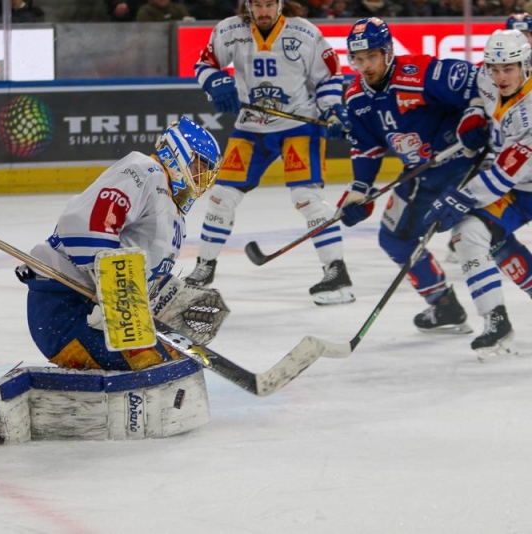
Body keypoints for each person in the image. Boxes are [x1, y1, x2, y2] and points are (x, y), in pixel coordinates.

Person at [17, 116, 224, 372]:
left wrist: (166, 294)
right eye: (198, 166)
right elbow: (85, 223)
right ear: (177, 151)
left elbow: (141, 267)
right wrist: (114, 294)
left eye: (207, 173)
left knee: (176, 351)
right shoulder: (144, 171)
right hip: (65, 308)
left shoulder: (174, 210)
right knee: (155, 362)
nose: (202, 178)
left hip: (95, 310)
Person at [189, 0, 355, 306]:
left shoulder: (304, 33)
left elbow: (329, 76)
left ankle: (337, 271)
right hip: (251, 128)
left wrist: (332, 110)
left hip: (299, 126)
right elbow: (204, 64)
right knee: (221, 197)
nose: (263, 12)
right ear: (247, 5)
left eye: (269, 4)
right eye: (257, 5)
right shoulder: (229, 30)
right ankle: (204, 267)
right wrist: (216, 81)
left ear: (280, 4)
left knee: (306, 198)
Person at [338, 17, 488, 334]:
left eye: (372, 56)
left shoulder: (420, 73)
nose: (365, 66)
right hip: (421, 174)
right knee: (393, 237)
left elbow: (482, 80)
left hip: (466, 165)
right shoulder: (355, 97)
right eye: (358, 59)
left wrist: (475, 113)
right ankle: (444, 305)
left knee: (483, 234)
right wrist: (360, 190)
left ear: (388, 52)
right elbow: (366, 147)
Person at [424, 29, 532, 358]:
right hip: (519, 188)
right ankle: (495, 321)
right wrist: (473, 113)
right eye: (494, 69)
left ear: (526, 65)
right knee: (470, 232)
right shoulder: (487, 79)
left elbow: (503, 174)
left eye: (508, 69)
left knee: (467, 212)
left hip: (512, 178)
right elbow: (476, 90)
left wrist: (459, 198)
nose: (500, 77)